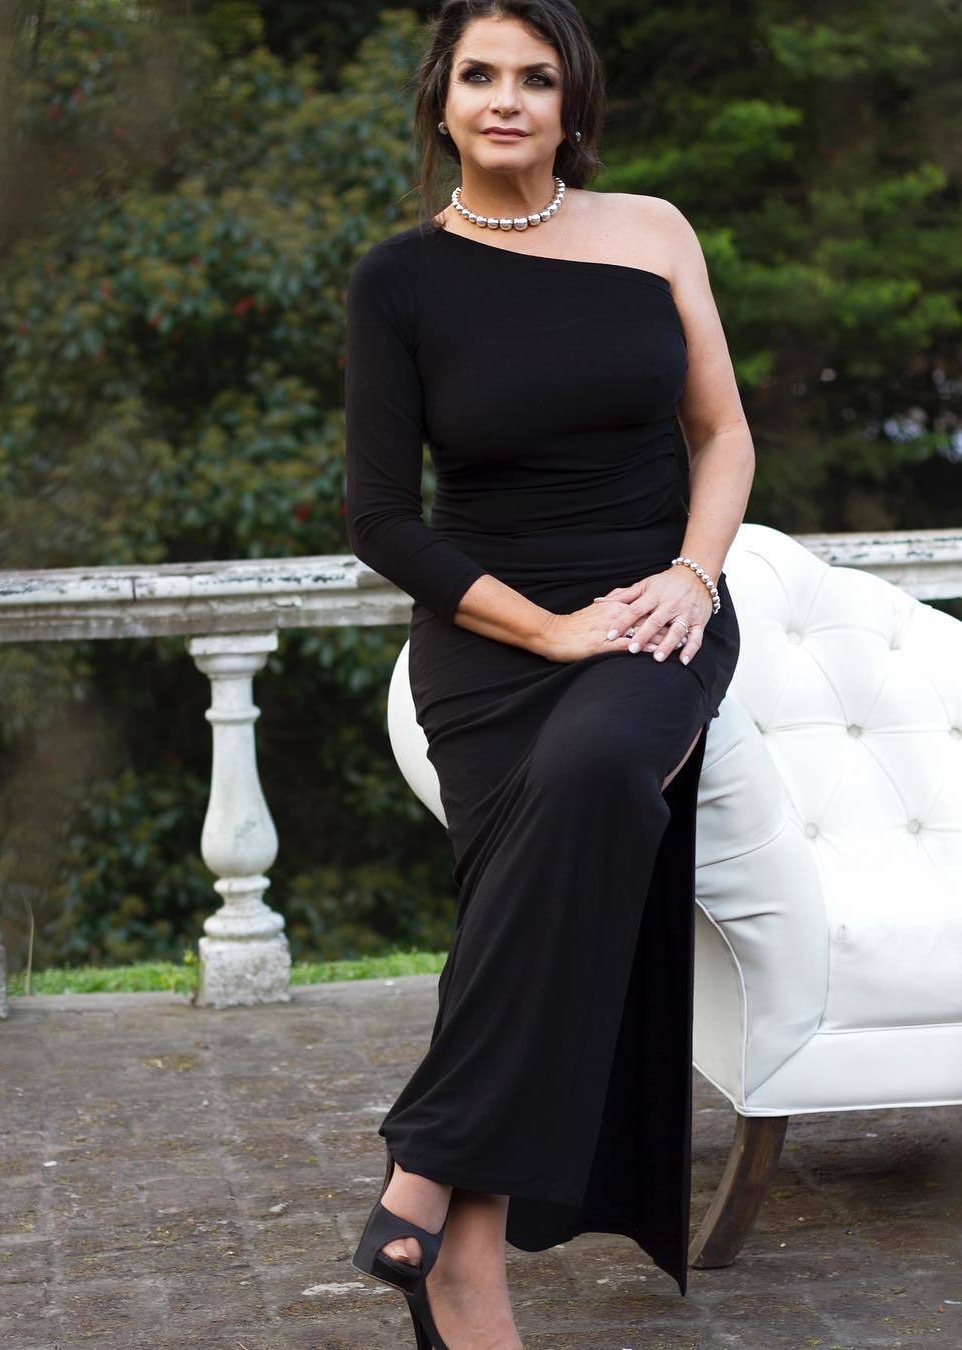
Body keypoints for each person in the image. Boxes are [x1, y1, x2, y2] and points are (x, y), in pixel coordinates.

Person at [343, 2, 753, 1345]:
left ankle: (425, 1164)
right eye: (479, 74)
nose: (506, 98)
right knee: (534, 883)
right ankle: (467, 1266)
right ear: (443, 100)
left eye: (535, 76)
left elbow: (723, 434)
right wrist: (547, 630)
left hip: (654, 612)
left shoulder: (654, 231)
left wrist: (694, 576)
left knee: (591, 772)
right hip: (493, 635)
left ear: (573, 103)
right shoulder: (400, 280)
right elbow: (380, 520)